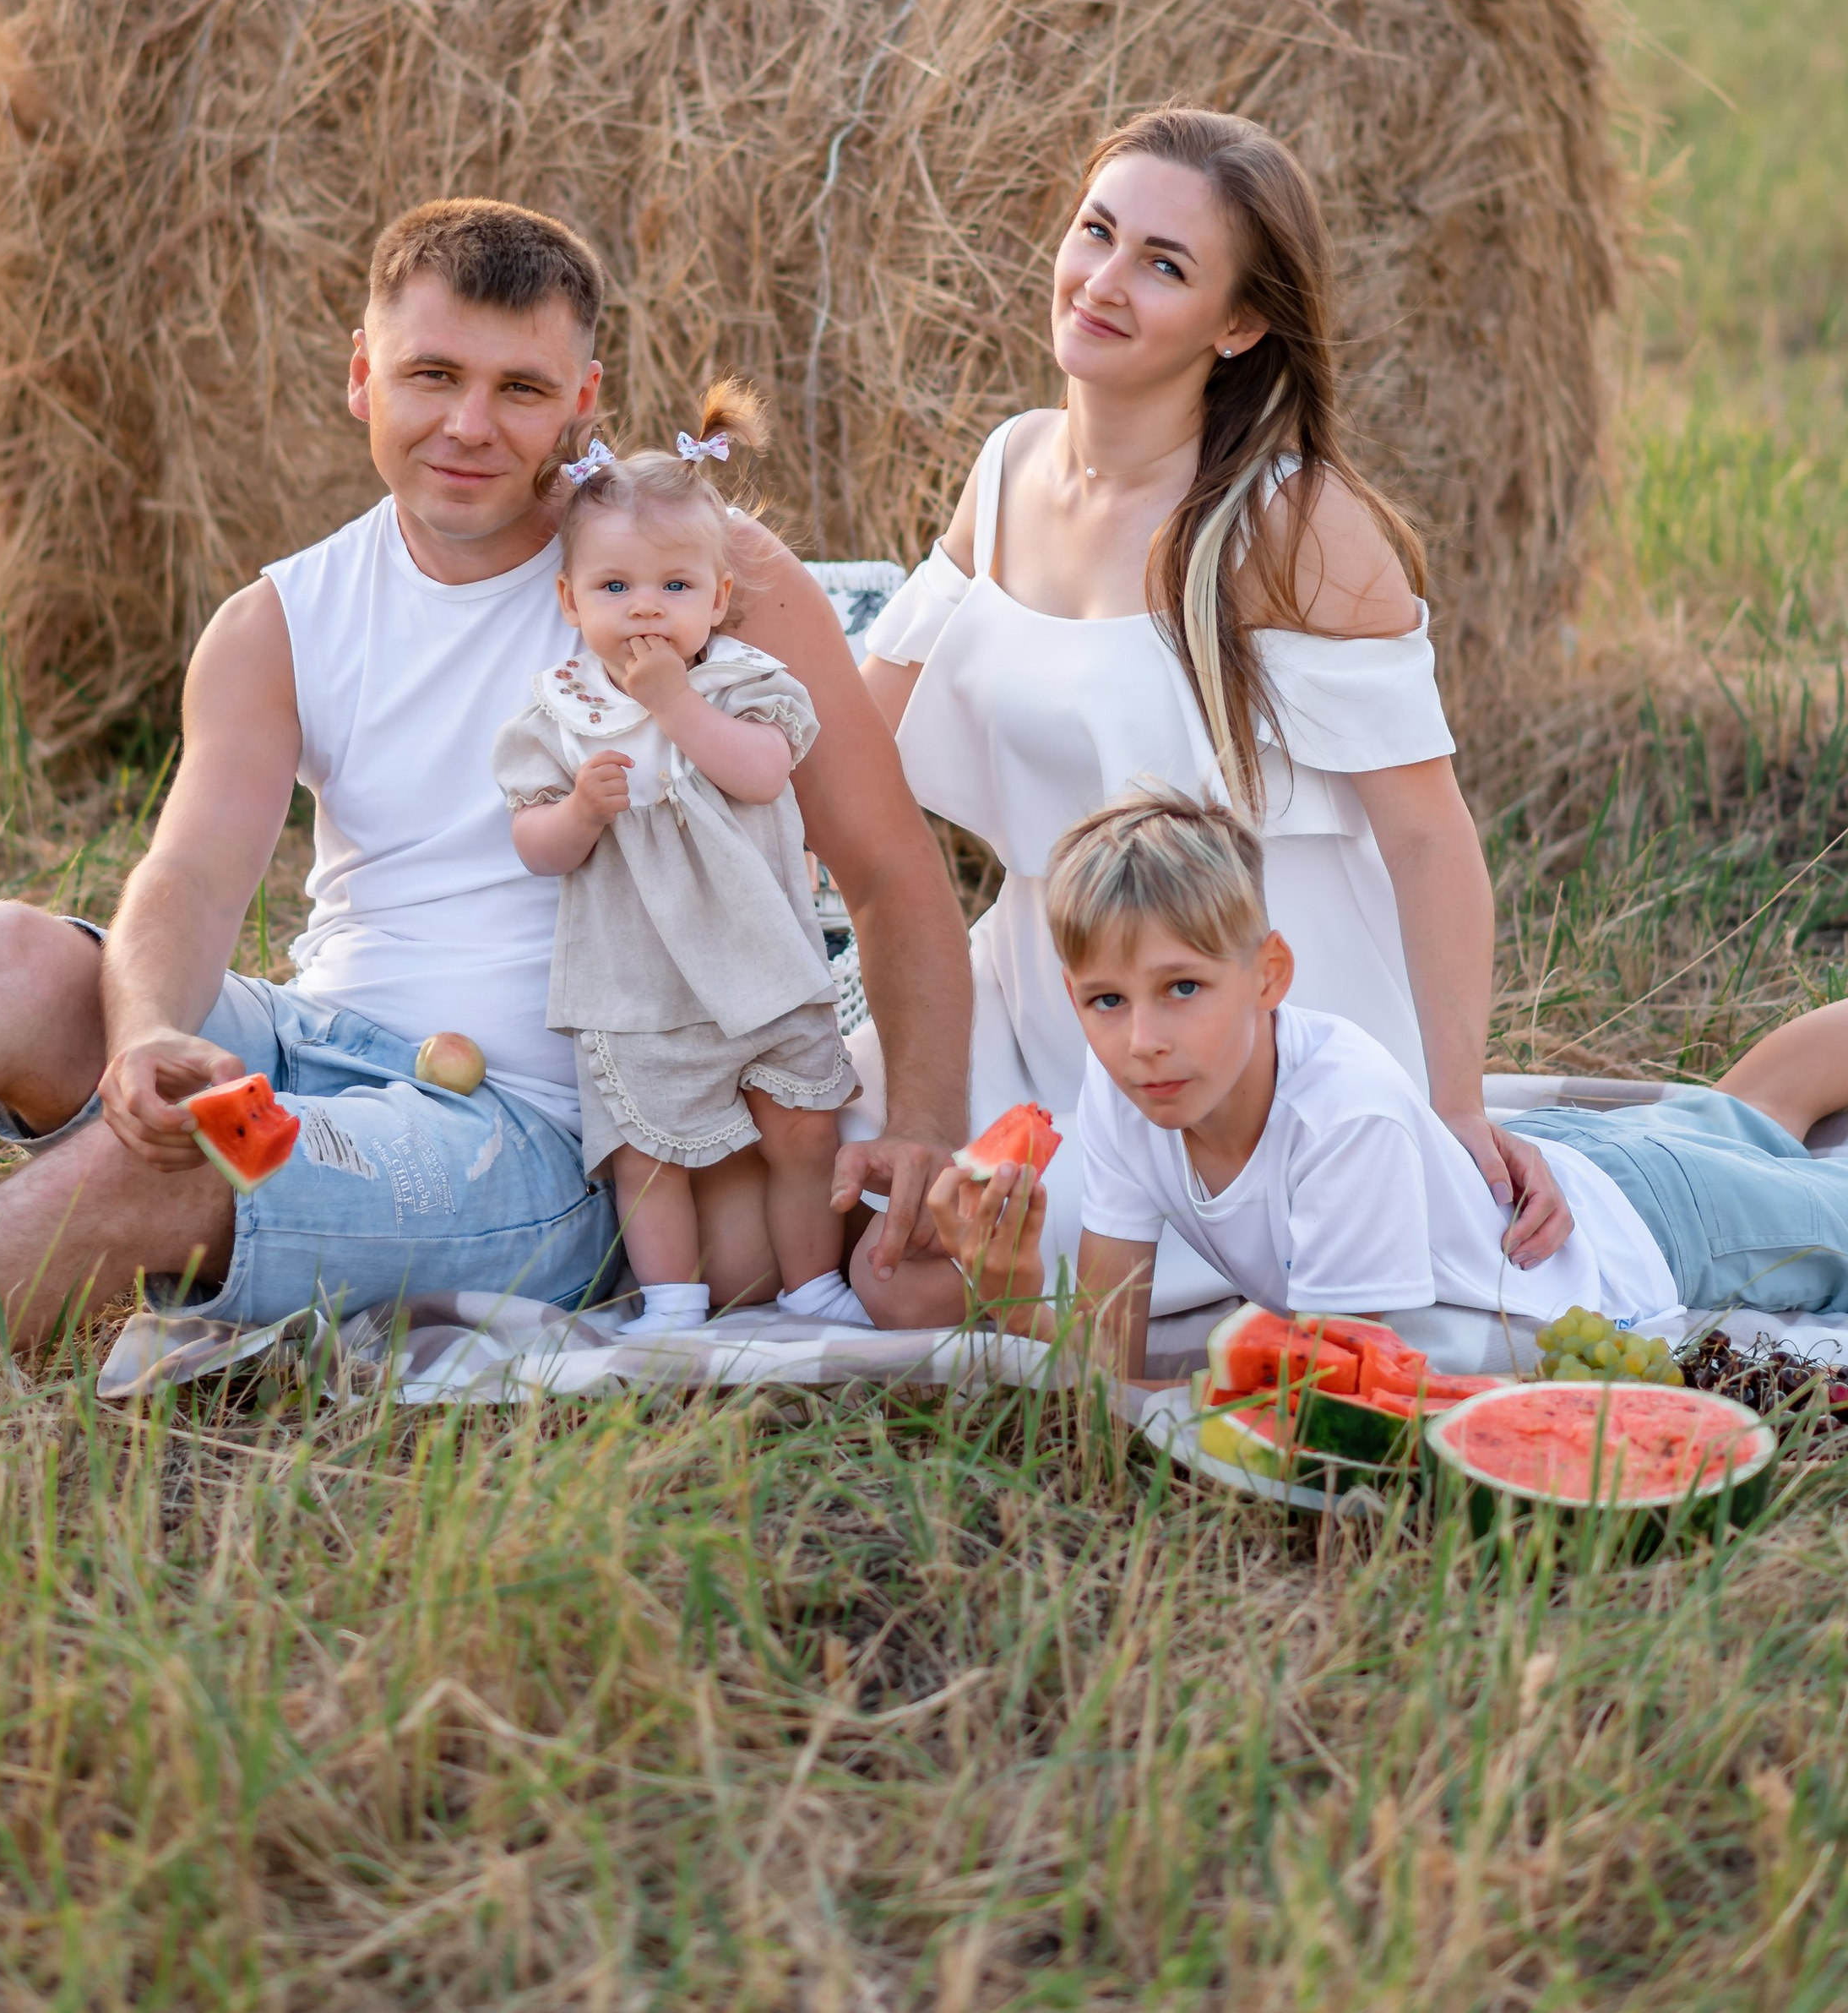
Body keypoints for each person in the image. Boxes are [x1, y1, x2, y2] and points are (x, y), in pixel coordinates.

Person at [0, 199, 971, 1433]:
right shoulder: (280, 622)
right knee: (2, 952)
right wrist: (142, 1033)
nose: (468, 424)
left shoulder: (703, 576)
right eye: (431, 375)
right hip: (316, 1041)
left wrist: (919, 1124)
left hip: (538, 1138)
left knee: (191, 1164)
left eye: (520, 390)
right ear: (363, 375)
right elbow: (188, 875)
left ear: (583, 402)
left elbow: (891, 872)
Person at [859, 102, 1569, 1303]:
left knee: (916, 1289)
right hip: (1043, 981)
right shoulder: (1009, 467)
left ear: (1240, 325)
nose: (1104, 281)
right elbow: (854, 749)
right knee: (823, 1179)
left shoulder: (1291, 530)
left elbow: (1427, 834)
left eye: (1164, 265)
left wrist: (1456, 1105)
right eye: (1097, 232)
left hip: (1230, 1031)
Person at [935, 785, 1848, 1378]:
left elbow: (1326, 1405)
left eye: (1183, 987)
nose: (1143, 1040)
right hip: (1567, 1162)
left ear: (1268, 973)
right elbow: (1108, 1372)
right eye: (1105, 1000)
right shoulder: (1125, 1095)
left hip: (1651, 1232)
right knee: (1750, 1114)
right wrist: (1010, 1286)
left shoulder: (1341, 1120)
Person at [493, 381, 869, 1336]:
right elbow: (535, 843)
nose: (645, 610)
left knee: (799, 1125)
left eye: (673, 586)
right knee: (643, 1151)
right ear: (570, 599)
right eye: (615, 588)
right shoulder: (561, 713)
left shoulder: (745, 684)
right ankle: (668, 1299)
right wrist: (580, 811)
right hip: (636, 972)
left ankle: (812, 1281)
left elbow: (761, 771)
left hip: (759, 953)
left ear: (719, 597)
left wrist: (677, 705)